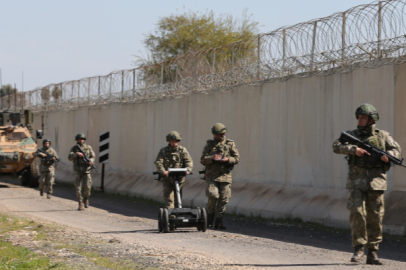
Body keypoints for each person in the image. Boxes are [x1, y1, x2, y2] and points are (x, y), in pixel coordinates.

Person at [333, 103, 401, 265]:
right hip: (356, 181)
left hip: (376, 182)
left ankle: (373, 252)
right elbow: (336, 146)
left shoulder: (383, 136)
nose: (361, 120)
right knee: (356, 212)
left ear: (372, 119)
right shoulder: (351, 135)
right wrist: (352, 149)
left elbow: (396, 150)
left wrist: (388, 156)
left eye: (364, 117)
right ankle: (358, 249)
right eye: (359, 117)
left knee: (375, 216)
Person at [200, 123, 240, 230]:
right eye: (217, 135)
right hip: (212, 176)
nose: (219, 136)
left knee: (224, 199)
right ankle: (208, 220)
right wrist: (212, 159)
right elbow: (203, 159)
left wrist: (228, 159)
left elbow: (237, 158)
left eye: (221, 134)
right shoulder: (210, 144)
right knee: (213, 196)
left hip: (225, 176)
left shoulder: (230, 144)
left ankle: (218, 222)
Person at [154, 131, 193, 210]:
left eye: (176, 141)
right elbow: (158, 162)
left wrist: (188, 169)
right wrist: (162, 171)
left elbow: (189, 161)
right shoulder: (164, 150)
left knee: (178, 198)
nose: (174, 143)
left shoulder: (182, 150)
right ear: (169, 141)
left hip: (179, 178)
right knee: (168, 198)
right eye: (172, 141)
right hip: (167, 178)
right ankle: (171, 214)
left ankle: (178, 212)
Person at [68, 133, 95, 211]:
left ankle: (86, 198)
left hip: (87, 170)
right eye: (79, 139)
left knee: (87, 187)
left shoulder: (88, 148)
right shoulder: (74, 148)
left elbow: (93, 156)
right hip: (77, 170)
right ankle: (80, 203)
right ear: (77, 140)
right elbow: (69, 158)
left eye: (82, 139)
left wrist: (91, 161)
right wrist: (76, 154)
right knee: (78, 188)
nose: (81, 140)